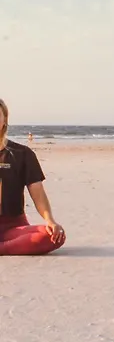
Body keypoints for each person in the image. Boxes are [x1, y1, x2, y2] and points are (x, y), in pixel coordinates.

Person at [0, 99, 66, 255]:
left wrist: (50, 220)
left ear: (4, 120)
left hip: (13, 227)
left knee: (54, 236)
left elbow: (38, 194)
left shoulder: (22, 154)